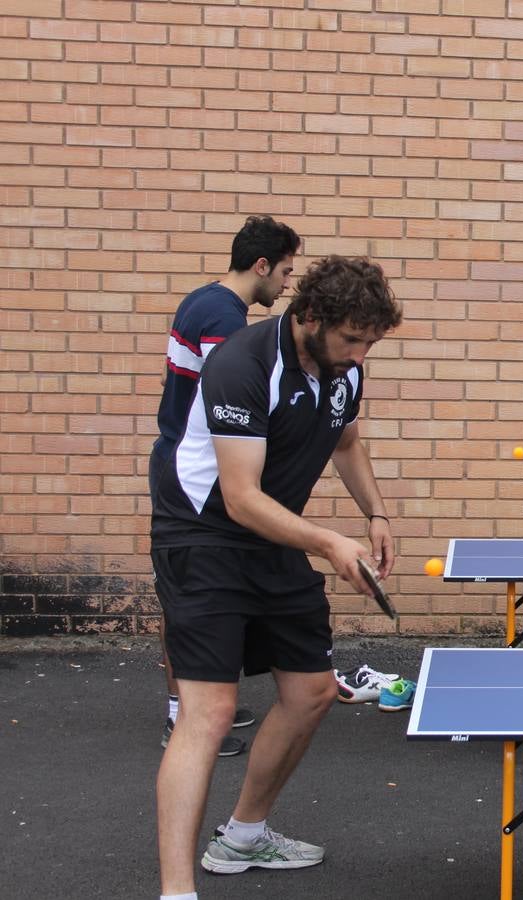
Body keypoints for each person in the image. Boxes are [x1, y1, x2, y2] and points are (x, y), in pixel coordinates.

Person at [150, 255, 403, 899]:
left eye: (370, 342)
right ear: (311, 316)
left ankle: (242, 838)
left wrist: (373, 513)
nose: (359, 353)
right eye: (352, 338)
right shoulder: (242, 364)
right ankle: (175, 892)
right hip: (204, 536)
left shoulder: (344, 369)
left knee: (312, 693)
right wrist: (326, 543)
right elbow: (239, 497)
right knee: (210, 711)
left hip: (273, 535)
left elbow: (345, 442)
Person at [150, 215, 301, 757]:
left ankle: (197, 702)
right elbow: (232, 406)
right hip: (193, 474)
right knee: (191, 600)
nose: (286, 284)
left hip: (176, 457)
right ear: (260, 265)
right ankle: (184, 715)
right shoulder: (224, 319)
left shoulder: (203, 298)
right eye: (284, 272)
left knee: (185, 599)